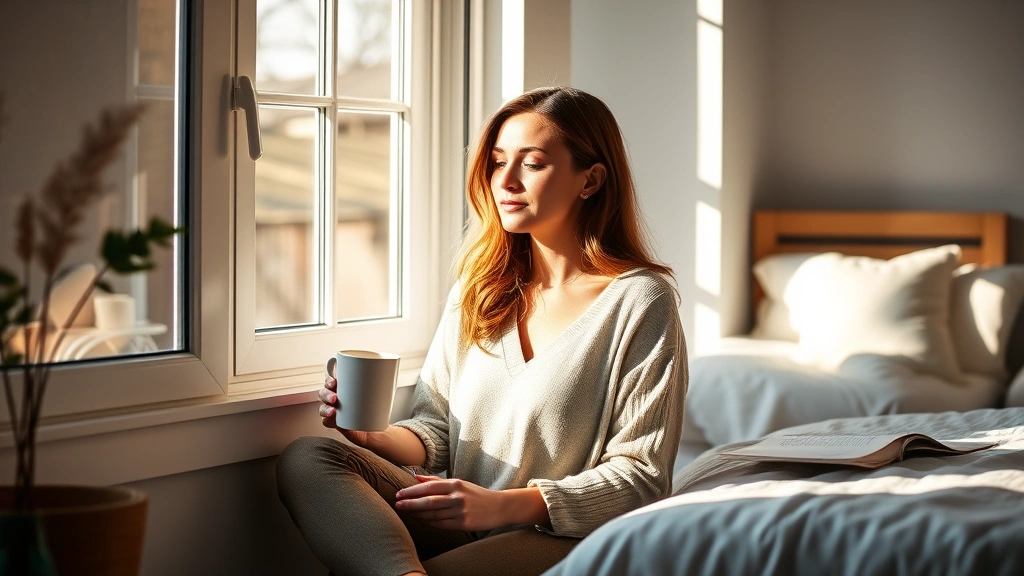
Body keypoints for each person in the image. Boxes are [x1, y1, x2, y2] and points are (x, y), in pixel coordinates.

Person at [276, 86, 688, 576]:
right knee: (308, 458)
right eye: (496, 162)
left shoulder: (641, 300)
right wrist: (375, 437)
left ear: (591, 180)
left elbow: (641, 476)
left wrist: (505, 505)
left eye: (532, 163)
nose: (506, 181)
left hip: (561, 536)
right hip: (463, 521)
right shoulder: (480, 289)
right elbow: (435, 431)